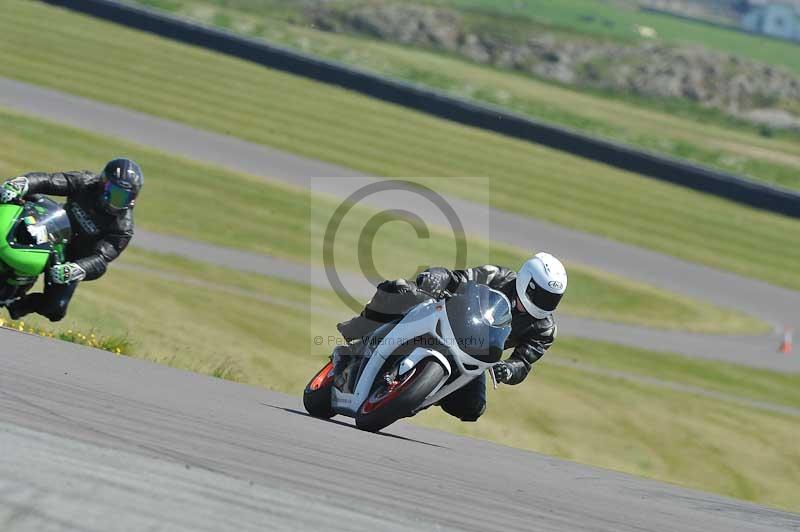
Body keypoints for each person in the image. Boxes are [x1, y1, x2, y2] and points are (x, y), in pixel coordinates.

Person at [336, 252, 567, 422]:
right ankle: (360, 329)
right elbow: (461, 278)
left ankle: (419, 391)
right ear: (528, 282)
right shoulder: (499, 277)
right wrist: (439, 277)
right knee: (401, 289)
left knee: (473, 408)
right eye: (543, 296)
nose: (545, 305)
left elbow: (524, 362)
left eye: (552, 299)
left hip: (472, 356)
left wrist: (508, 369)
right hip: (446, 320)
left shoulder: (544, 329)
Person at [0, 158, 142, 322]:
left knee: (55, 309)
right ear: (103, 183)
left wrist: (77, 269)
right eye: (115, 193)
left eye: (124, 197)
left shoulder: (123, 228)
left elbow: (102, 259)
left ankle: (16, 303)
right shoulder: (85, 182)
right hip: (51, 227)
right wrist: (22, 183)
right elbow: (48, 181)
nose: (116, 201)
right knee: (17, 195)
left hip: (70, 259)